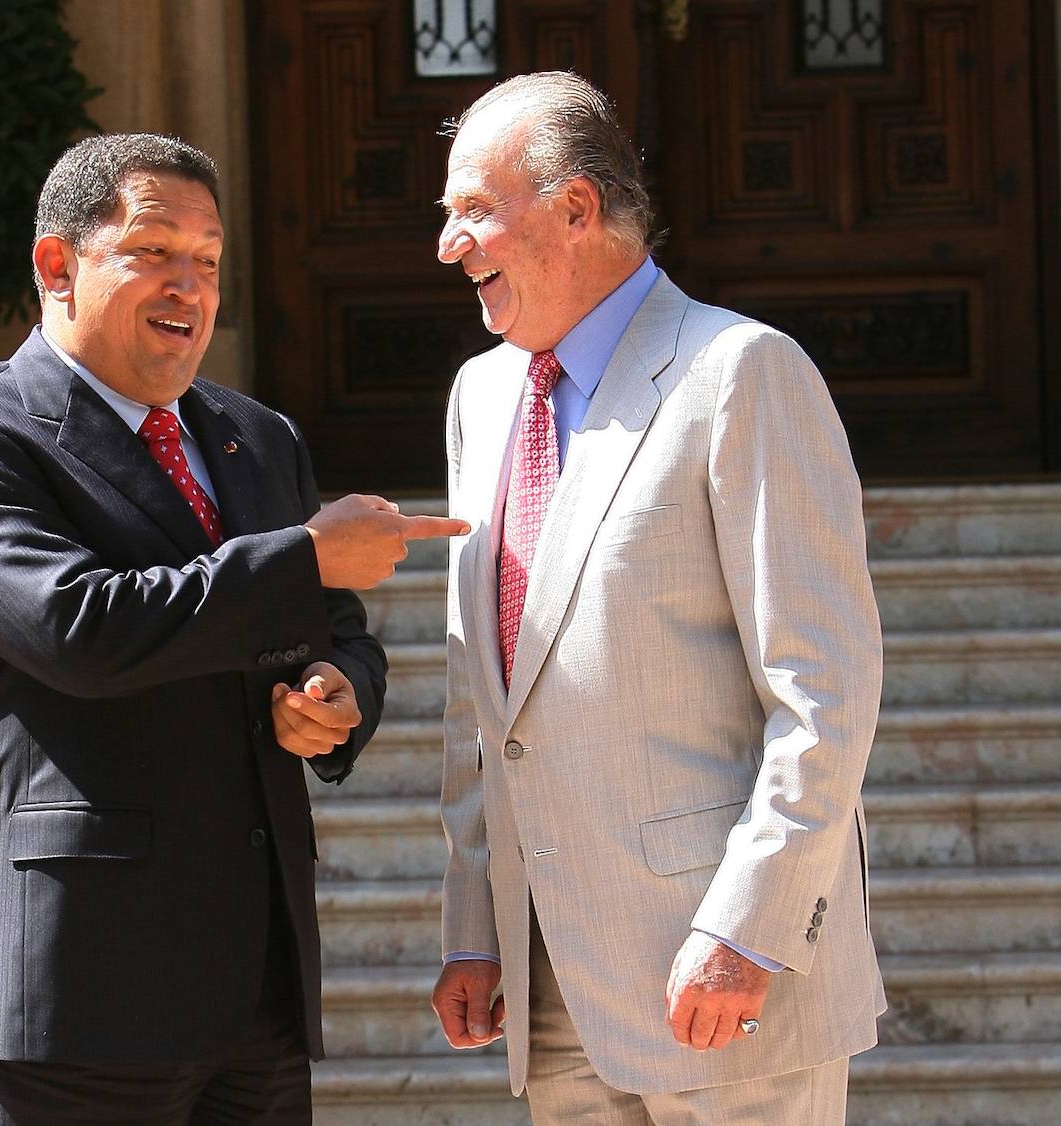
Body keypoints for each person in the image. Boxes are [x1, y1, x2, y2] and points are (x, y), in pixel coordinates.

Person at [0, 132, 467, 1125]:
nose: (189, 285)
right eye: (154, 251)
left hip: (255, 989)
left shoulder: (259, 437)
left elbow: (335, 627)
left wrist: (339, 695)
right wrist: (302, 556)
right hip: (79, 995)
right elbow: (79, 628)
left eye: (208, 261)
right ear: (56, 265)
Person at [430, 72, 885, 1124]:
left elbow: (825, 691)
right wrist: (474, 923)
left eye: (473, 210)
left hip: (728, 980)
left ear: (578, 208)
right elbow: (480, 692)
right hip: (551, 992)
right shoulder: (482, 394)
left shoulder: (741, 372)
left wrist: (750, 928)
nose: (450, 246)